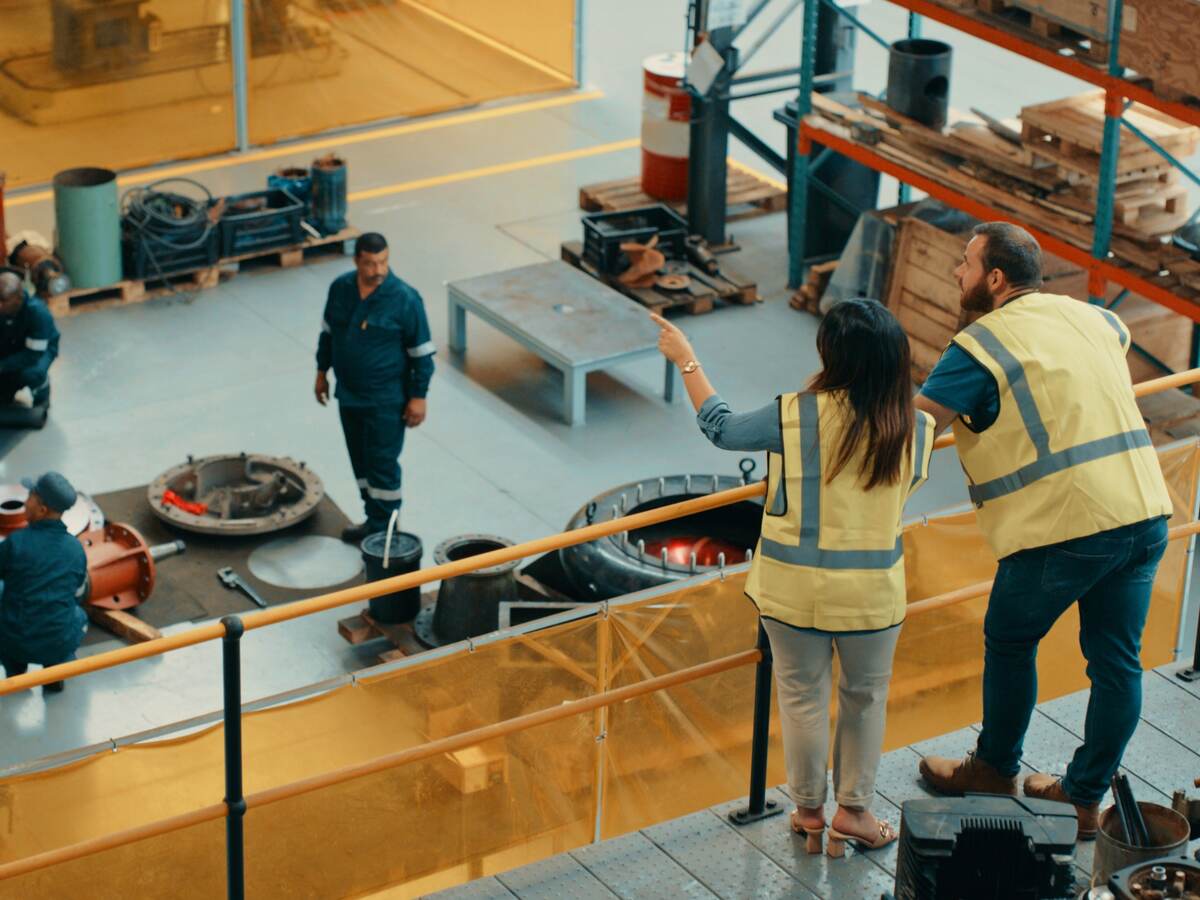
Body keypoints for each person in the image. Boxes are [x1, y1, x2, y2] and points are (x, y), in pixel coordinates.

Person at [914, 222, 1172, 840]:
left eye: (965, 262)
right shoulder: (1097, 319)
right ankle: (1083, 800)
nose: (957, 273)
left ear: (995, 279)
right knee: (1117, 664)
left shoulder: (981, 344)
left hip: (1065, 525)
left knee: (1009, 640)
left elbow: (919, 423)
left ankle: (995, 770)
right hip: (1144, 509)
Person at [651, 299, 935, 858]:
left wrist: (686, 359)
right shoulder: (918, 428)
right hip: (872, 598)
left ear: (830, 354)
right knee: (865, 699)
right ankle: (854, 814)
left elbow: (722, 428)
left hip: (791, 592)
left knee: (802, 697)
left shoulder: (795, 414)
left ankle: (808, 815)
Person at [316, 233, 435, 543]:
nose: (378, 270)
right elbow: (328, 334)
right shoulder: (341, 289)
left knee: (382, 465)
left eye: (383, 262)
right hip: (349, 395)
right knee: (361, 463)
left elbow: (422, 354)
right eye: (370, 263)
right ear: (357, 261)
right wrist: (321, 371)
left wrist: (418, 397)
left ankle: (387, 532)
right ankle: (374, 520)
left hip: (386, 400)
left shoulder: (405, 298)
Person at [0, 472, 89, 693]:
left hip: (15, 640)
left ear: (42, 510)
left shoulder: (16, 543)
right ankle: (54, 676)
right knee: (78, 615)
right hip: (57, 641)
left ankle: (15, 674)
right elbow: (77, 587)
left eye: (30, 496)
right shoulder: (75, 549)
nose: (25, 501)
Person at [0, 270, 58, 425]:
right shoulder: (3, 310)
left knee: (32, 372)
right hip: (12, 343)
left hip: (39, 351)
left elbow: (32, 355)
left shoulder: (37, 313)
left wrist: (3, 365)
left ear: (18, 298)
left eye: (4, 301)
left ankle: (41, 393)